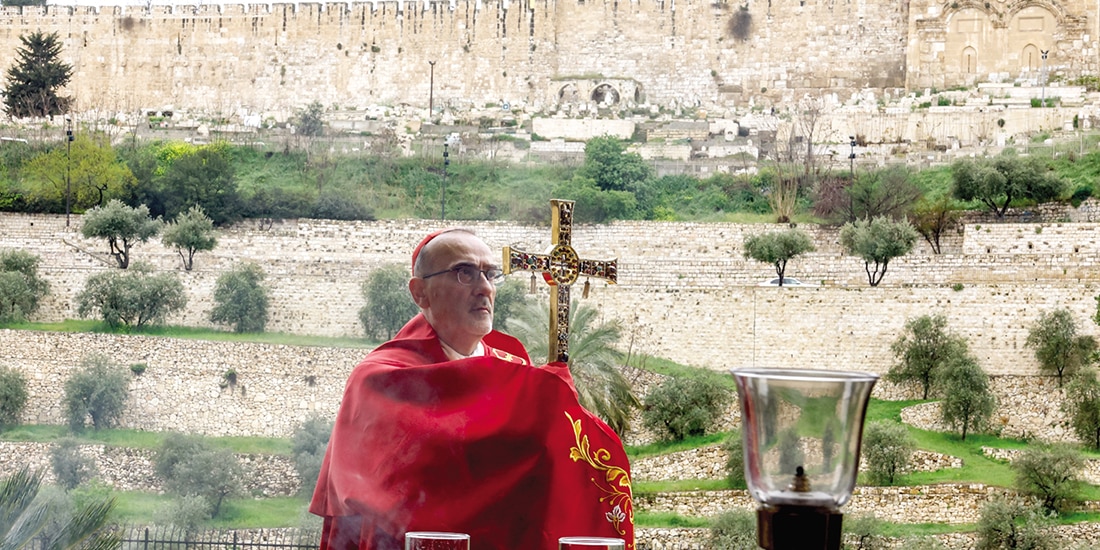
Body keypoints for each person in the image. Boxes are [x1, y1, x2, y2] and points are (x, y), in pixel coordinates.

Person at [310, 229, 635, 550]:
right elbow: (423, 475)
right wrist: (543, 401)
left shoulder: (517, 370)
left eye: (491, 275)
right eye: (464, 273)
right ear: (420, 292)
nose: (484, 288)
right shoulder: (380, 379)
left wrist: (558, 412)